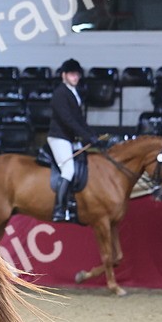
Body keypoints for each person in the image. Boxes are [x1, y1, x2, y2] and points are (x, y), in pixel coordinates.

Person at [47, 58, 101, 222]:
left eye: (77, 74)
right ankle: (59, 209)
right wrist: (85, 136)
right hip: (59, 137)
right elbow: (67, 120)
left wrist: (92, 135)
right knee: (68, 170)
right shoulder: (60, 94)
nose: (75, 77)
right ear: (64, 75)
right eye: (72, 74)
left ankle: (73, 203)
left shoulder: (74, 93)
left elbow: (80, 120)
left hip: (69, 138)